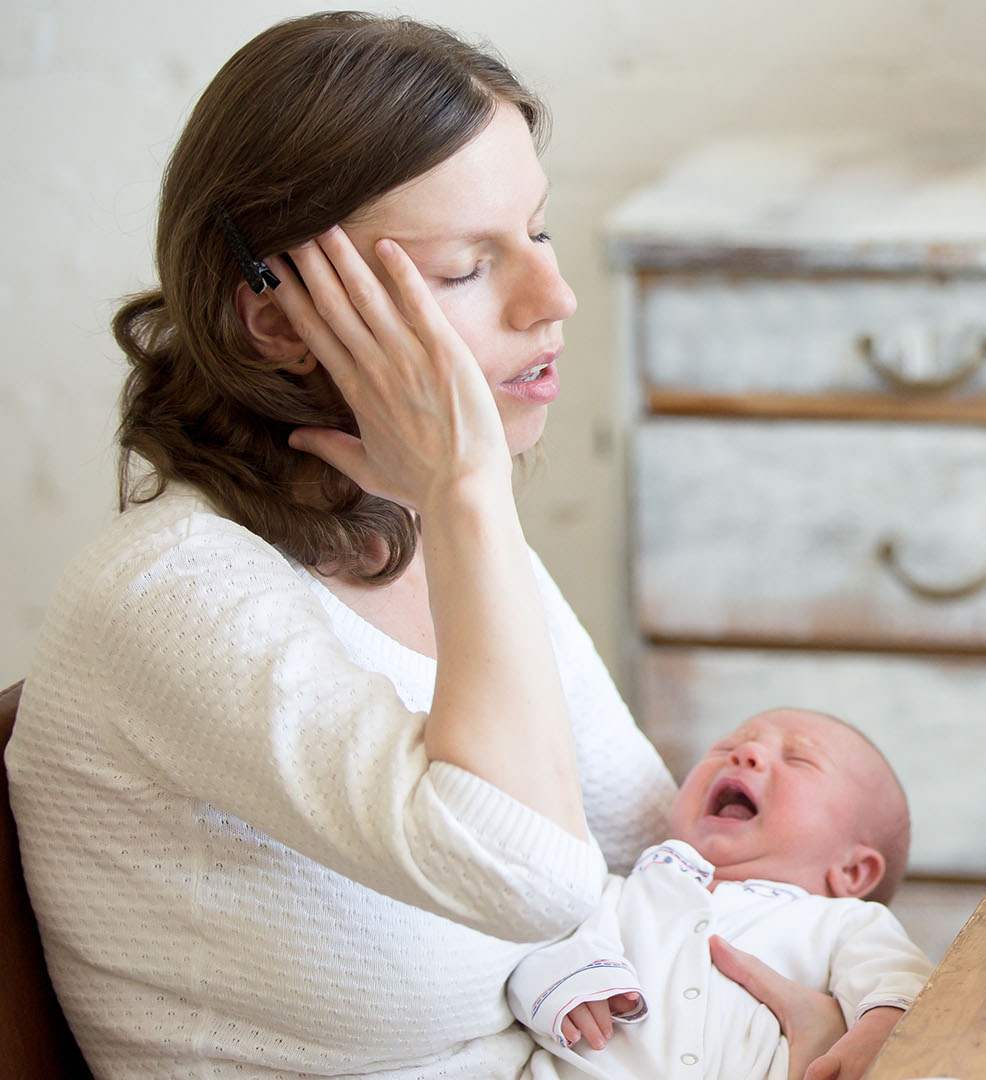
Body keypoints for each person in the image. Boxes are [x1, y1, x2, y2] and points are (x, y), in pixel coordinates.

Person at [4, 13, 843, 1078]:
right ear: (280, 320)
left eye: (535, 232)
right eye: (462, 269)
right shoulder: (172, 593)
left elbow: (649, 855)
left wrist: (835, 1007)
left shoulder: (416, 531)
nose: (554, 298)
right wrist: (467, 494)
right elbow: (537, 876)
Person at [508, 707, 932, 1080]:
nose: (745, 754)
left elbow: (902, 983)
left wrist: (877, 1034)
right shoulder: (626, 891)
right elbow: (535, 955)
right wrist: (566, 987)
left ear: (853, 870)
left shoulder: (844, 922)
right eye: (727, 746)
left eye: (798, 759)